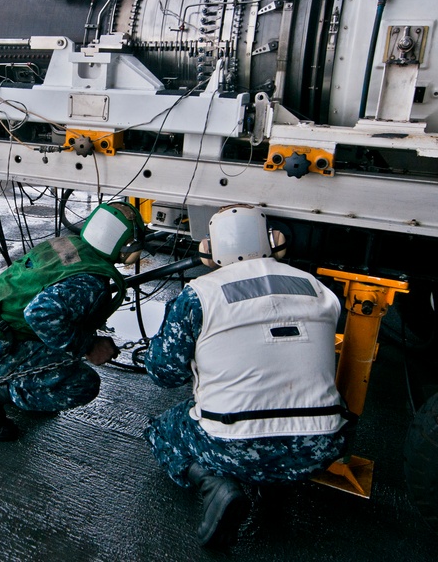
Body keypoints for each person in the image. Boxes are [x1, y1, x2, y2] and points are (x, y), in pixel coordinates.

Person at [144, 204, 351, 546]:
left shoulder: (199, 295)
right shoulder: (317, 288)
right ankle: (271, 479)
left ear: (209, 252)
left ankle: (214, 483)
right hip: (321, 448)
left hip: (232, 448)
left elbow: (163, 373)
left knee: (161, 430)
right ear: (273, 241)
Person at [0, 201, 146, 441]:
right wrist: (89, 346)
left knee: (64, 341)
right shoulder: (90, 282)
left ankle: (24, 388)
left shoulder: (68, 244)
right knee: (83, 383)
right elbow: (40, 313)